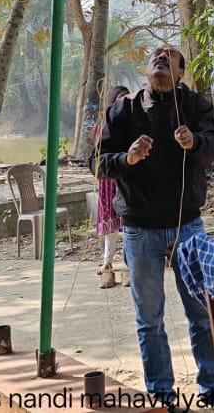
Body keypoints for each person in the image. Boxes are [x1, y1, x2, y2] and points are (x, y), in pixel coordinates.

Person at [97, 46, 214, 409]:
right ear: (146, 69)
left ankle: (211, 389)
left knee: (201, 313)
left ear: (181, 73)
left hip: (188, 226)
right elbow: (98, 164)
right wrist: (127, 157)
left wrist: (195, 142)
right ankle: (162, 396)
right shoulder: (123, 110)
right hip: (140, 229)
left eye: (171, 57)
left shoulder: (196, 106)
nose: (162, 58)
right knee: (149, 320)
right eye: (157, 55)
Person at [93, 84, 131, 289]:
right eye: (119, 97)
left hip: (128, 179)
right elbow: (98, 157)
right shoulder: (103, 126)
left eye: (126, 97)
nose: (122, 101)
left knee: (128, 223)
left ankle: (128, 265)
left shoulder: (135, 123)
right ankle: (107, 264)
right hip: (109, 181)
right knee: (111, 224)